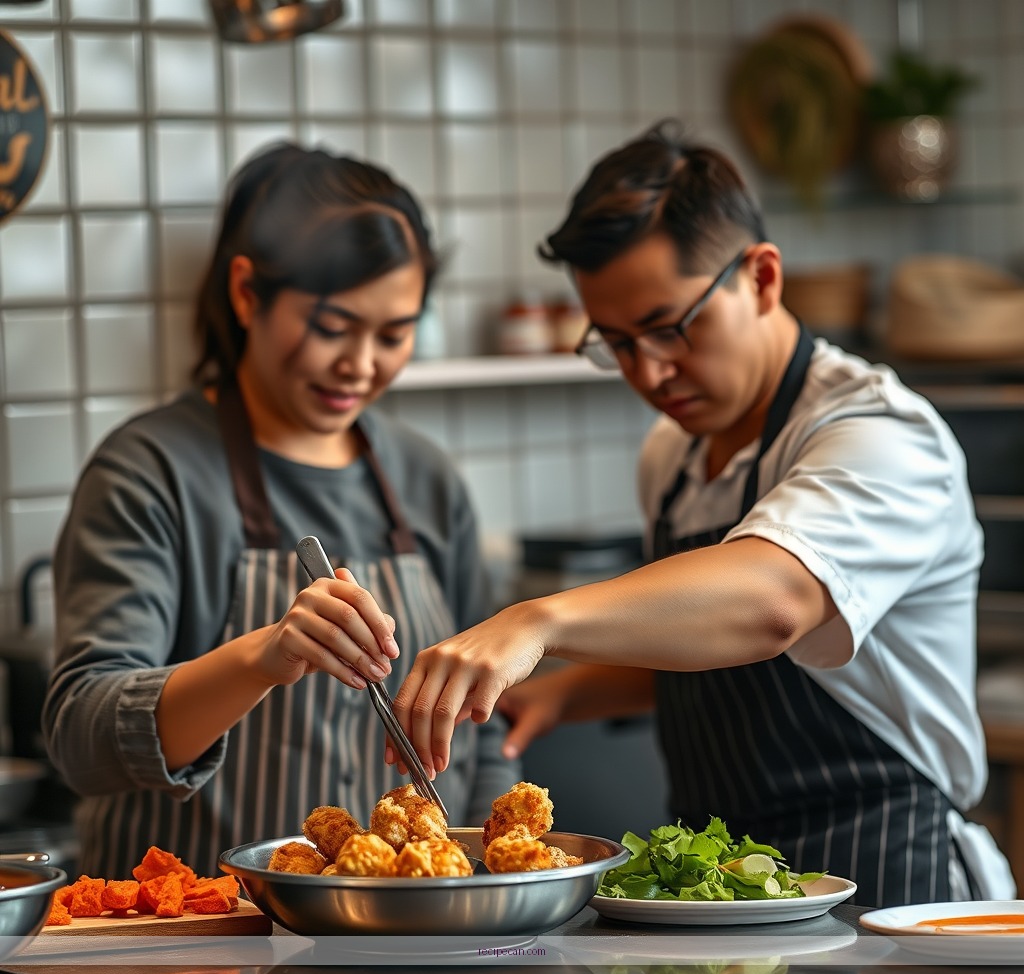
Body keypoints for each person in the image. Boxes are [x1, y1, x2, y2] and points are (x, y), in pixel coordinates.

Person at [391, 121, 1015, 907]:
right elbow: (720, 656)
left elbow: (771, 607)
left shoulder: (882, 438)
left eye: (669, 328)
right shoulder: (675, 455)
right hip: (715, 889)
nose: (649, 372)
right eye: (616, 343)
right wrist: (566, 692)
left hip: (887, 877)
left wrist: (535, 624)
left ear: (760, 278)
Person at [43, 142, 519, 879]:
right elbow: (81, 737)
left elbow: (481, 728)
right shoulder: (148, 473)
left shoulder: (425, 479)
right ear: (246, 293)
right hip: (195, 947)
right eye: (333, 327)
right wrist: (263, 658)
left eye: (393, 334)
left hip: (418, 938)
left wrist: (486, 879)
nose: (361, 364)